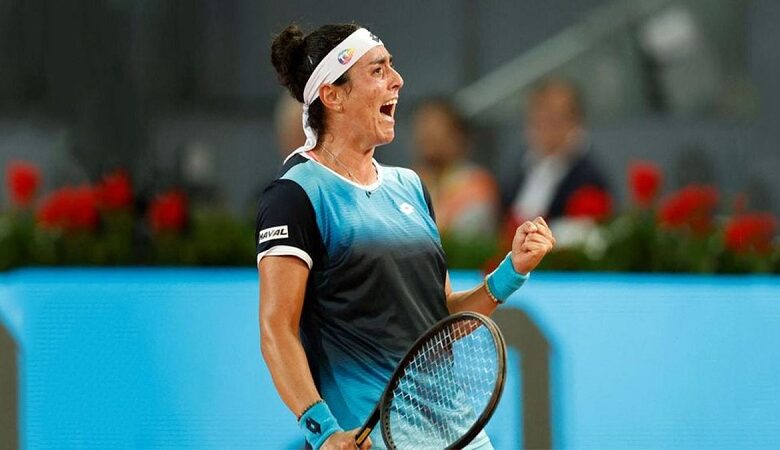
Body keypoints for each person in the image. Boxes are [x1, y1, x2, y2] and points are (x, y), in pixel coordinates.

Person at [256, 23, 556, 450]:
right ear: (333, 95)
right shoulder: (295, 195)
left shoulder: (410, 186)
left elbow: (439, 319)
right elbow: (277, 329)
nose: (397, 80)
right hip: (373, 439)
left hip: (459, 435)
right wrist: (323, 431)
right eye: (377, 71)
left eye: (391, 67)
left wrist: (513, 271)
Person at [502, 78, 610, 223]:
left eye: (553, 119)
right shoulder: (521, 168)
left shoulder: (588, 178)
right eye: (538, 119)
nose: (544, 127)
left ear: (575, 121)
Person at [413, 98, 500, 239]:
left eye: (435, 133)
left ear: (458, 138)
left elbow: (468, 239)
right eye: (423, 132)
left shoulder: (477, 185)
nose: (426, 136)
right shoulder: (410, 181)